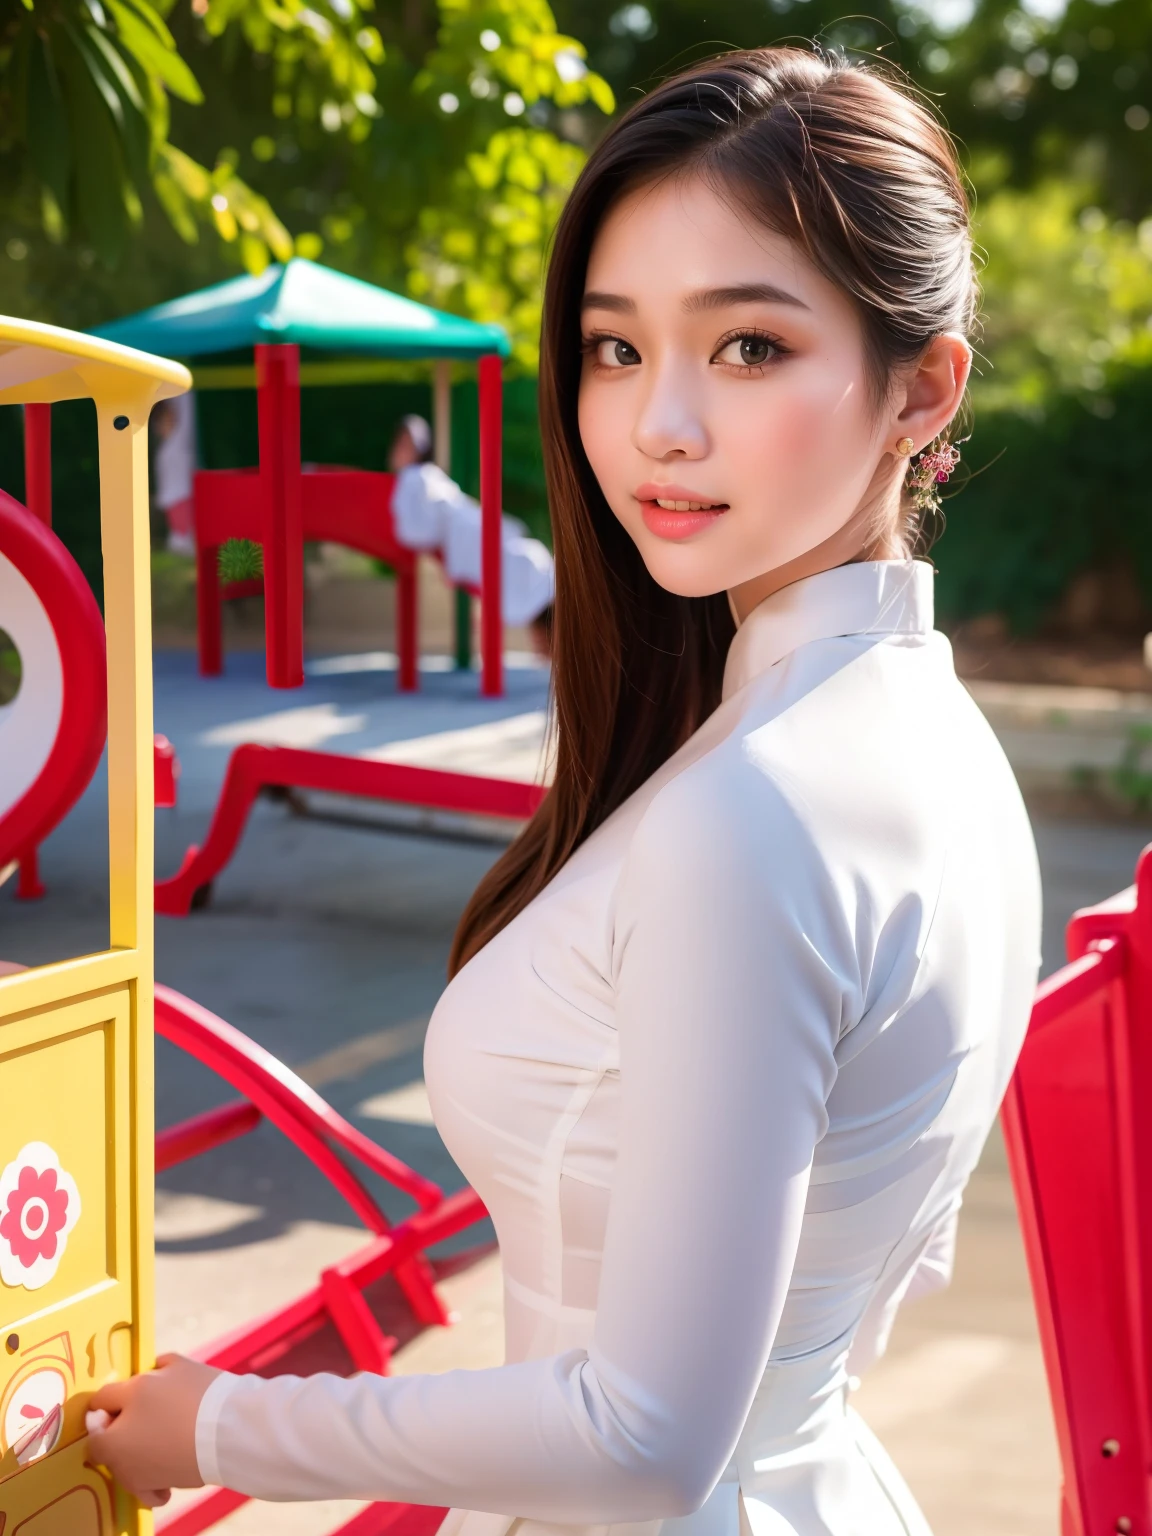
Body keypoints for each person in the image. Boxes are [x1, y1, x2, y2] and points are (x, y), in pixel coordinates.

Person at [89, 47, 1042, 1535]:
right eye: (614, 348)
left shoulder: (761, 809)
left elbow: (641, 1436)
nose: (658, 424)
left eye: (746, 349)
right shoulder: (940, 752)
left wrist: (221, 1422)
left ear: (922, 386)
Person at [388, 413, 556, 658]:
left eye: (409, 444)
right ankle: (550, 623)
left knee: (522, 561)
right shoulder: (416, 479)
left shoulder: (420, 476)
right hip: (472, 530)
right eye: (401, 444)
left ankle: (551, 624)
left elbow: (422, 523)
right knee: (523, 563)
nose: (403, 451)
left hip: (473, 528)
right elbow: (422, 524)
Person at [151, 392, 198, 556]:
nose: (170, 420)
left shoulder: (174, 446)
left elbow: (186, 419)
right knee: (182, 541)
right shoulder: (168, 448)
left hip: (181, 497)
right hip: (176, 500)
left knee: (183, 540)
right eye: (164, 420)